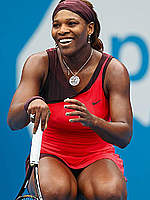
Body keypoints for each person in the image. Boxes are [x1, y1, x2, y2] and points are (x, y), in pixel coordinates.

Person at [7, 0, 133, 199]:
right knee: (56, 191)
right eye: (56, 25)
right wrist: (31, 103)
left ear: (90, 28)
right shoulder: (39, 63)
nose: (62, 30)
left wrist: (93, 121)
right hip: (50, 154)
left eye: (71, 24)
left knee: (110, 192)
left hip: (97, 156)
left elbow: (124, 135)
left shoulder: (113, 70)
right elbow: (13, 121)